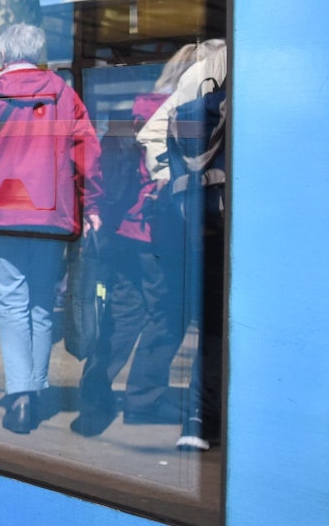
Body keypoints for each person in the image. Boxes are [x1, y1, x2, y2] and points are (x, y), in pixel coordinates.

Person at [0, 23, 102, 434]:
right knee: (40, 301)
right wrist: (89, 202)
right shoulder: (62, 92)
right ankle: (32, 391)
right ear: (38, 54)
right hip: (49, 214)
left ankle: (21, 396)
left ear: (3, 55)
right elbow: (87, 151)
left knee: (10, 304)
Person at [71, 44, 203, 438]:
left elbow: (99, 170)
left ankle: (95, 389)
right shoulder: (187, 112)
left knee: (125, 312)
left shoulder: (137, 109)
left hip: (123, 229)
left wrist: (96, 211)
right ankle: (144, 398)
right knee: (167, 313)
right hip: (161, 229)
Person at [136, 39, 228, 452]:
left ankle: (185, 415)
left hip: (188, 221)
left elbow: (150, 133)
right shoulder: (236, 73)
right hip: (227, 224)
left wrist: (171, 183)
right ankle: (202, 415)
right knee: (212, 327)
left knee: (178, 316)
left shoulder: (188, 88)